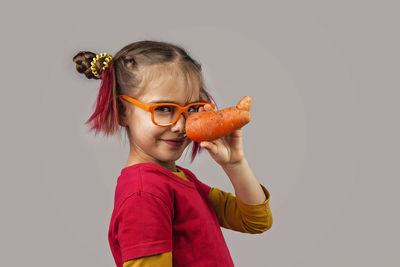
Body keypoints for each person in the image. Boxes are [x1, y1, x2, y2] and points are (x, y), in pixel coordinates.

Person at [73, 40, 273, 267]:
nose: (179, 126)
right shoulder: (144, 193)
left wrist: (235, 164)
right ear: (122, 111)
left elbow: (255, 221)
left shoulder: (180, 179)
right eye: (164, 109)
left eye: (191, 110)